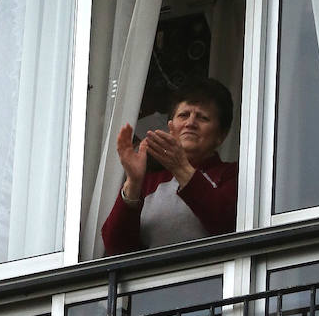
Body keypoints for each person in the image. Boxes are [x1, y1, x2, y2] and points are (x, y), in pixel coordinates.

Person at [101, 78, 238, 255]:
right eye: (183, 115)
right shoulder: (149, 182)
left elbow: (227, 224)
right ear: (170, 126)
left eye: (203, 117)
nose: (190, 123)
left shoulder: (232, 175)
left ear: (221, 135)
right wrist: (133, 182)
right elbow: (115, 247)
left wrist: (181, 168)